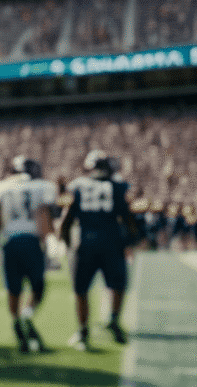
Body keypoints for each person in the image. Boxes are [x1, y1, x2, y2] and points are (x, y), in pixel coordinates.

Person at [59, 150, 140, 351]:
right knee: (118, 284)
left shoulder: (78, 186)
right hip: (111, 243)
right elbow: (128, 218)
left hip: (85, 243)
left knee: (81, 289)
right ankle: (113, 320)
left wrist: (68, 244)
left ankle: (83, 330)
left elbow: (67, 219)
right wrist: (131, 240)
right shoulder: (118, 186)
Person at [0, 156, 56, 353]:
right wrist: (51, 246)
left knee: (13, 289)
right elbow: (41, 216)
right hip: (31, 242)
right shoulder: (40, 187)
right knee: (38, 287)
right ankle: (27, 314)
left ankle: (17, 322)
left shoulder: (1, 188)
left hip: (9, 243)